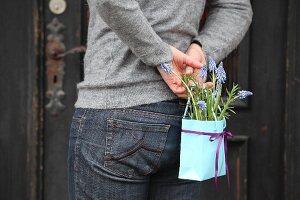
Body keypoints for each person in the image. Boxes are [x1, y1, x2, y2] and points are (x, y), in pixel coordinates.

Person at [68, 0, 253, 199]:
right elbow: (236, 6)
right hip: (185, 118)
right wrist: (199, 52)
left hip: (118, 106)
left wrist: (164, 56)